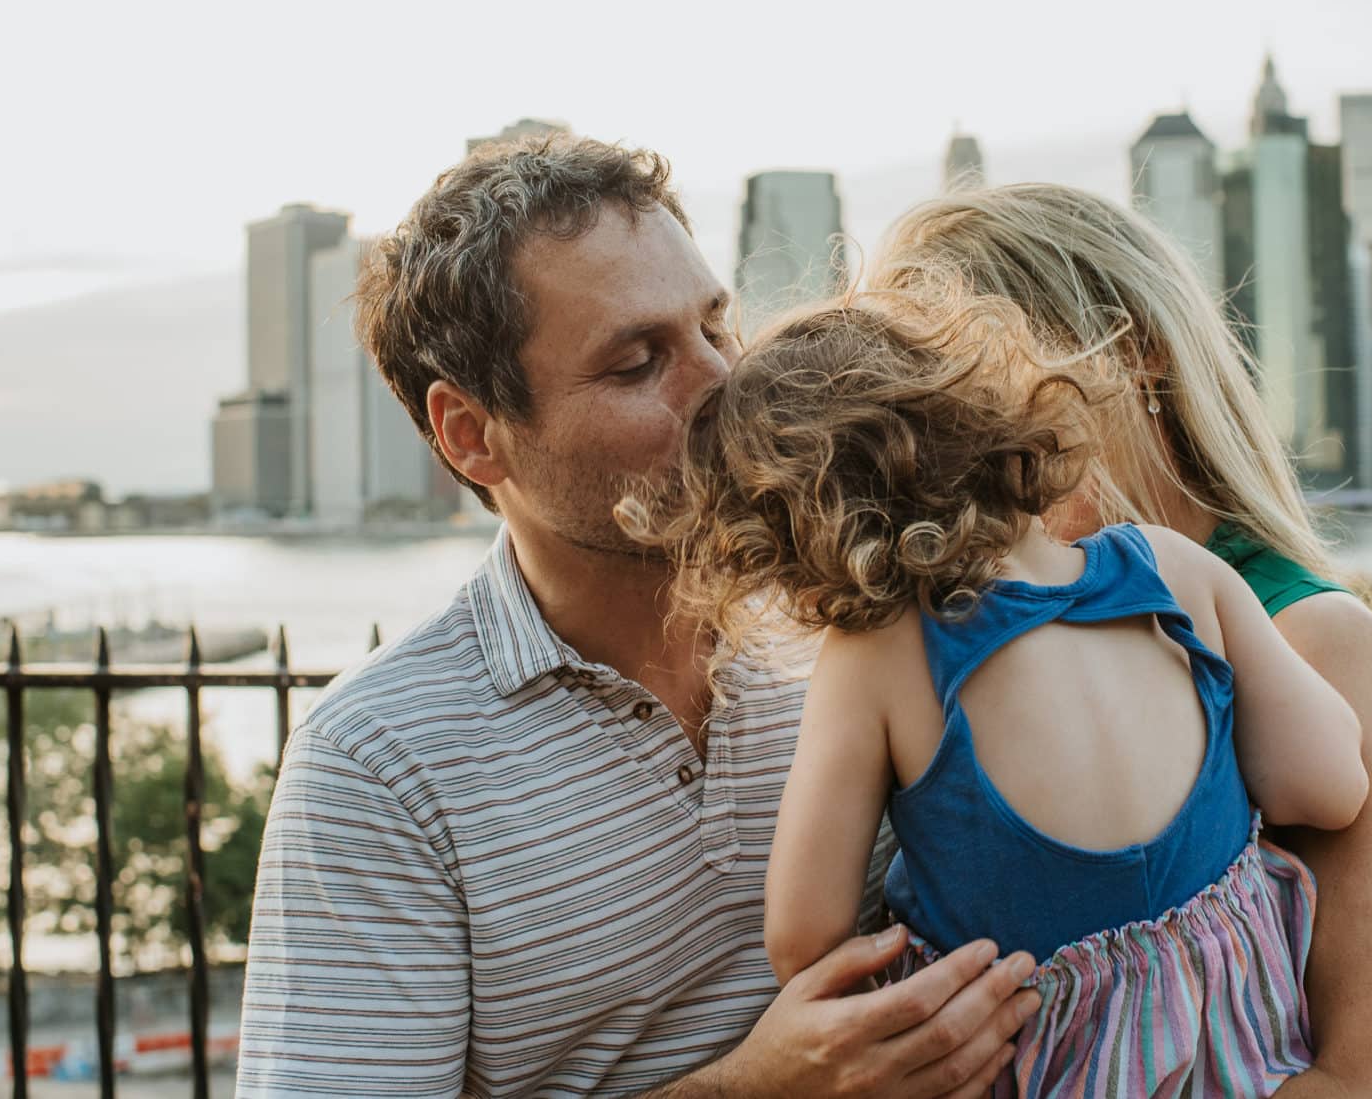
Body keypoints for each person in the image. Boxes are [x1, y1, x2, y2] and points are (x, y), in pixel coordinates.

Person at [234, 136, 1038, 1098]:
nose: (722, 384)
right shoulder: (378, 767)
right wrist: (757, 1088)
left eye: (714, 327)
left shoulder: (858, 607)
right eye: (637, 362)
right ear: (471, 434)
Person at [620, 293, 1368, 1096]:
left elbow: (804, 934)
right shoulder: (1172, 567)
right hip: (1246, 1062)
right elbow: (1328, 786)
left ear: (787, 531)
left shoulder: (875, 652)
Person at [868, 182, 1372, 1096]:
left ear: (1135, 354)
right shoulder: (931, 635)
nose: (952, 461)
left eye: (978, 401)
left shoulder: (1303, 636)